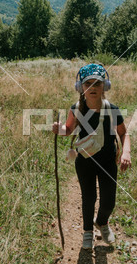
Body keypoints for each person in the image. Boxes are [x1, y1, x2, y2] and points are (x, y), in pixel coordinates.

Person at [52, 64, 131, 250]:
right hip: (85, 162)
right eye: (88, 83)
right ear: (81, 87)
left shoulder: (112, 110)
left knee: (109, 201)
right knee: (88, 198)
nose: (93, 87)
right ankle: (87, 231)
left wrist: (126, 151)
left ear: (105, 86)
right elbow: (69, 129)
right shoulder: (77, 109)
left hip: (108, 162)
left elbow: (123, 134)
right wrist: (59, 129)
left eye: (97, 83)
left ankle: (102, 222)